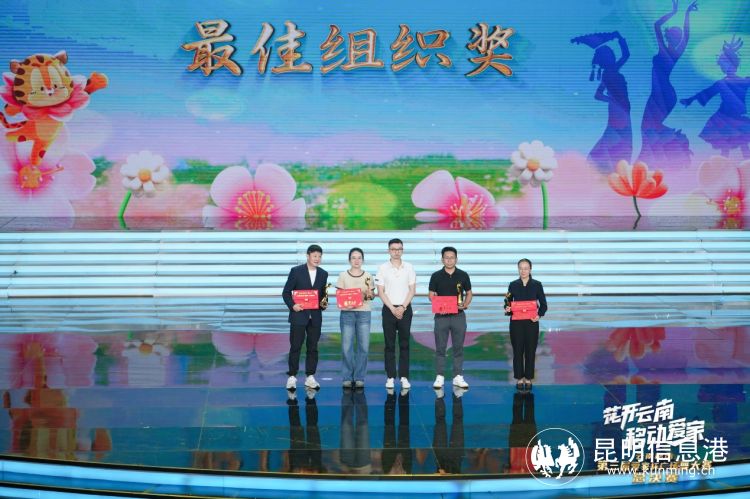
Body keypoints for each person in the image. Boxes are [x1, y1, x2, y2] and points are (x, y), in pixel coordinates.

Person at [681, 35, 750, 158]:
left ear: (732, 63)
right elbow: (706, 92)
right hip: (723, 117)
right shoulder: (722, 83)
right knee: (726, 145)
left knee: (743, 143)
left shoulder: (744, 81)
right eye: (721, 64)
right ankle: (723, 165)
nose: (722, 67)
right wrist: (689, 100)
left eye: (724, 63)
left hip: (736, 117)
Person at [282, 244, 329, 391]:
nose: (317, 259)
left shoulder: (323, 274)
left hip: (315, 316)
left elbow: (322, 295)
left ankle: (310, 377)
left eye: (319, 256)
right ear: (308, 256)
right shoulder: (296, 271)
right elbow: (286, 292)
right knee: (295, 346)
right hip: (299, 315)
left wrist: (324, 303)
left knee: (313, 347)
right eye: (314, 256)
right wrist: (293, 305)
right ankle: (292, 376)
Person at [428, 246, 472, 390]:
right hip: (441, 317)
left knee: (458, 348)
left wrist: (465, 304)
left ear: (456, 259)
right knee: (440, 348)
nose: (449, 260)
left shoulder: (463, 275)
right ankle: (440, 376)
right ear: (442, 259)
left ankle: (457, 376)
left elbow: (469, 292)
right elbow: (431, 295)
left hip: (458, 316)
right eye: (446, 258)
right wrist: (436, 301)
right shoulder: (436, 276)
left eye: (452, 257)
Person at [376, 238, 416, 390]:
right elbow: (381, 292)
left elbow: (412, 290)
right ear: (389, 251)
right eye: (393, 249)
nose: (396, 252)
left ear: (402, 250)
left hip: (405, 309)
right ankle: (390, 377)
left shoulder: (409, 267)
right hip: (389, 309)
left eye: (399, 249)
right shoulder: (382, 268)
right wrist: (393, 309)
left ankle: (404, 377)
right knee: (389, 344)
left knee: (405, 344)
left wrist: (403, 307)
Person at [504, 258, 547, 391]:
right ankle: (519, 377)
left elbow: (543, 304)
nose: (523, 271)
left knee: (530, 351)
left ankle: (528, 378)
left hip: (531, 323)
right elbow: (507, 302)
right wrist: (507, 308)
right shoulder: (513, 285)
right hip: (516, 323)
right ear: (518, 269)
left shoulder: (537, 285)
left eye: (526, 268)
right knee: (517, 351)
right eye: (521, 268)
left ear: (530, 269)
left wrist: (539, 315)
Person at [336, 247, 375, 389]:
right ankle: (347, 377)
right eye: (354, 258)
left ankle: (359, 377)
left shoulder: (368, 276)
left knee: (363, 347)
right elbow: (339, 295)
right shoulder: (343, 275)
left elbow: (371, 296)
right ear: (349, 260)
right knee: (347, 347)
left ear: (363, 260)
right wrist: (350, 300)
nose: (356, 260)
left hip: (364, 313)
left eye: (359, 258)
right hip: (347, 314)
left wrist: (369, 294)